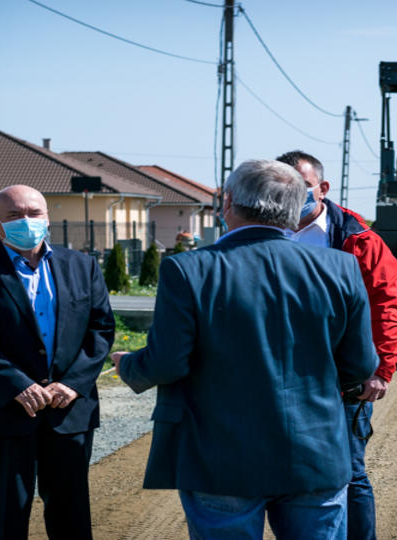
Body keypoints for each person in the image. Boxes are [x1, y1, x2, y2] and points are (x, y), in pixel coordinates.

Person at [112, 160, 379, 540]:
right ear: (294, 207)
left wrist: (128, 366)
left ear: (228, 202)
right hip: (316, 453)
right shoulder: (341, 267)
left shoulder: (189, 269)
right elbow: (360, 365)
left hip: (220, 456)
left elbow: (167, 363)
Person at [0, 185, 115, 539]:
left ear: (47, 216)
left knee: (71, 510)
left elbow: (100, 329)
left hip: (67, 410)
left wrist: (73, 383)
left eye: (34, 213)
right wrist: (16, 384)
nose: (27, 221)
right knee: (6, 510)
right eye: (14, 215)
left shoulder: (82, 265)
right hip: (1, 409)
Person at [276, 150, 397, 540]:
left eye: (303, 188)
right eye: (284, 189)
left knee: (348, 470)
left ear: (323, 188)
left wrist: (381, 369)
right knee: (279, 471)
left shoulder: (358, 240)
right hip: (275, 372)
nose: (294, 198)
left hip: (340, 375)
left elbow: (386, 303)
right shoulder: (258, 231)